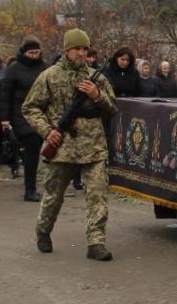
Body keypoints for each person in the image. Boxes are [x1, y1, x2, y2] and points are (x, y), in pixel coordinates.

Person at [23, 28, 115, 260]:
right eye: (77, 48)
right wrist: (47, 131)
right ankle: (43, 231)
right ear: (66, 50)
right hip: (62, 146)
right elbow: (30, 107)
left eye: (85, 49)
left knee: (98, 196)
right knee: (53, 196)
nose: (81, 53)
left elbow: (112, 108)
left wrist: (97, 95)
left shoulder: (97, 78)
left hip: (93, 146)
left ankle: (96, 242)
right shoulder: (49, 76)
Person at [0, 36, 47, 202]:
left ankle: (36, 184)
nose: (34, 55)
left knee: (37, 151)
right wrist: (4, 118)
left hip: (41, 114)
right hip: (20, 115)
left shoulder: (45, 67)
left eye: (37, 52)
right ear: (24, 52)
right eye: (31, 52)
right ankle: (30, 189)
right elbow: (5, 94)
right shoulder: (14, 69)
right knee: (31, 148)